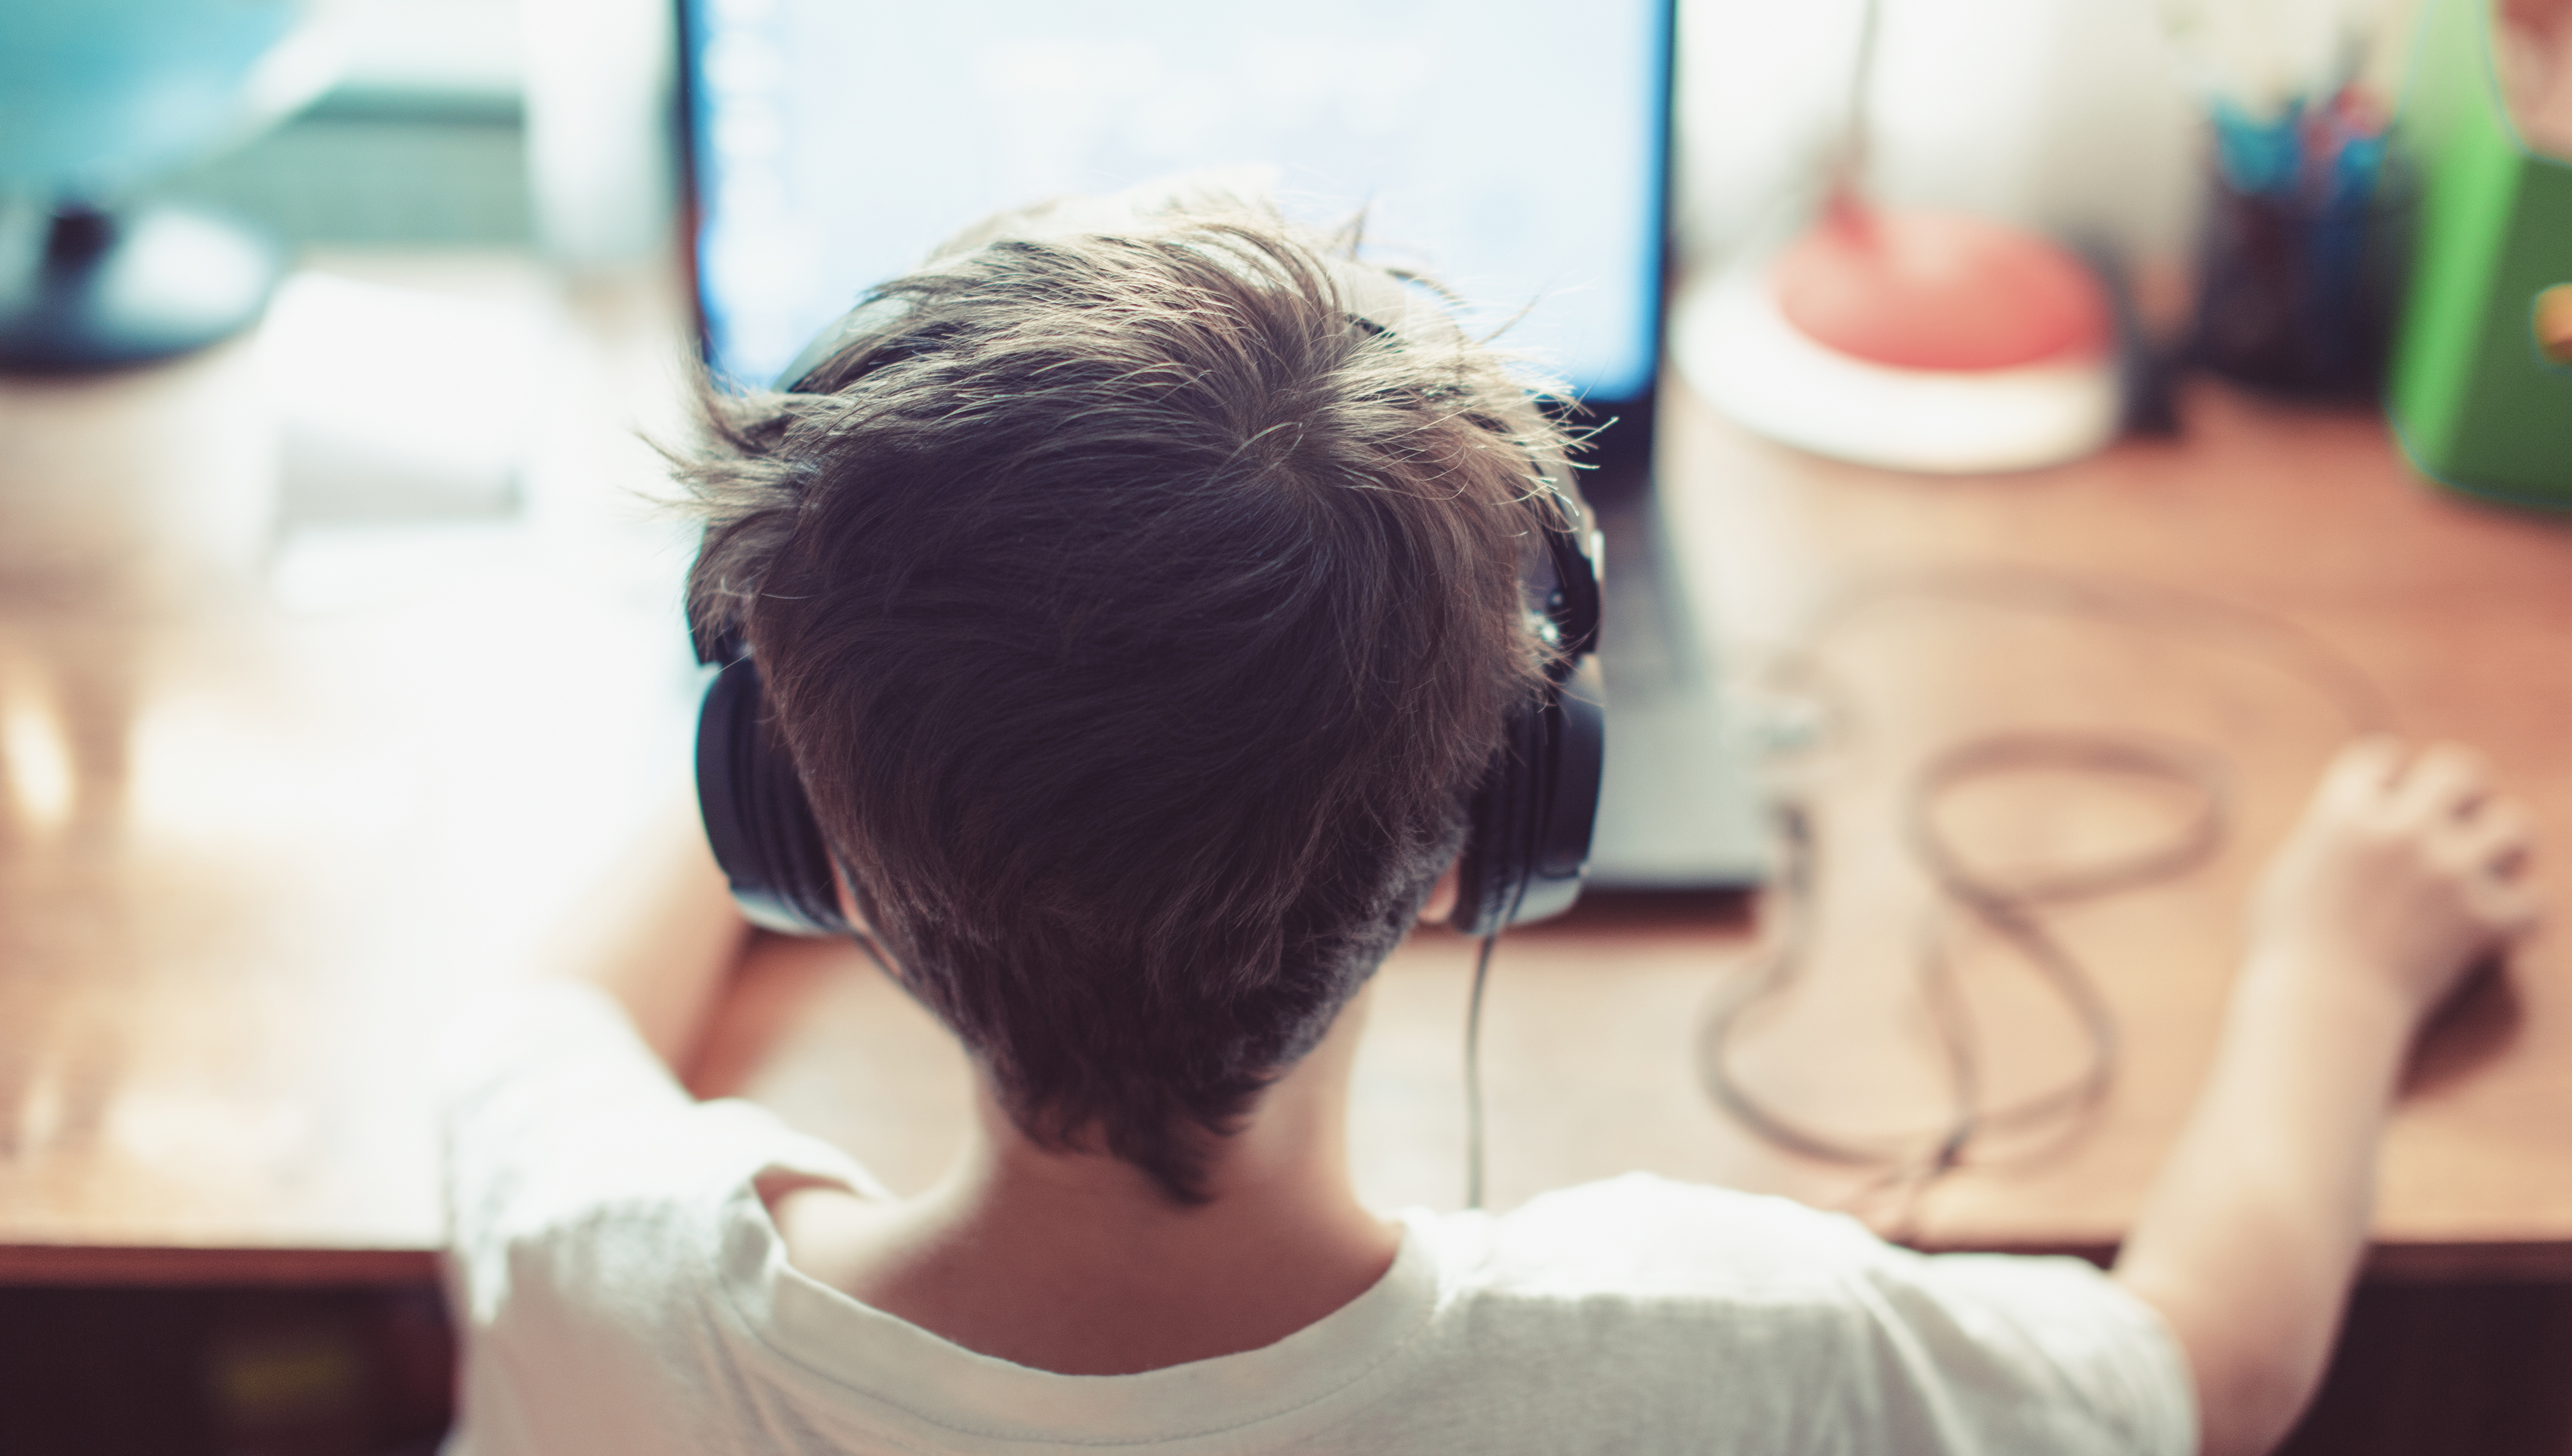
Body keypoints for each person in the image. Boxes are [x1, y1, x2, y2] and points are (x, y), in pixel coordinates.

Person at [440, 188, 2541, 1456]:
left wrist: (849, 716)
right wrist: (2335, 974)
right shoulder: (1718, 1359)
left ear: (793, 845)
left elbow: (538, 1016)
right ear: (1500, 829)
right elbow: (2209, 1376)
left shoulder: (599, 1271)